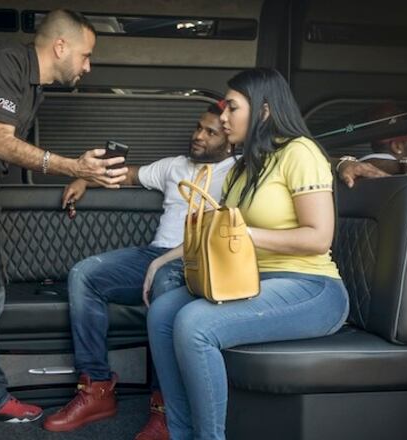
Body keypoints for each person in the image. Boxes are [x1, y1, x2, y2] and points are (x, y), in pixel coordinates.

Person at [145, 68, 350, 440]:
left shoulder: (300, 153)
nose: (222, 117)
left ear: (265, 111)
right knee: (161, 314)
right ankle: (181, 433)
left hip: (312, 288)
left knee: (194, 325)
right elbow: (217, 228)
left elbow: (320, 238)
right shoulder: (244, 167)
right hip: (254, 281)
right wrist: (163, 258)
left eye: (232, 108)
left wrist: (248, 234)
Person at [0, 9, 128, 426]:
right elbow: (1, 144)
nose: (88, 66)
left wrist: (86, 175)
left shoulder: (33, 86)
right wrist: (75, 167)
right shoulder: (5, 61)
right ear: (60, 46)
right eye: (86, 55)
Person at [43, 103, 235, 439]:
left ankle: (166, 411)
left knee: (164, 281)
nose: (198, 136)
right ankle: (97, 390)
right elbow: (128, 174)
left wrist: (349, 162)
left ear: (230, 139)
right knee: (84, 274)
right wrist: (84, 179)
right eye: (198, 128)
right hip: (157, 254)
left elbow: (299, 163)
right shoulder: (175, 166)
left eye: (210, 132)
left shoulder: (241, 170)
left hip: (202, 261)